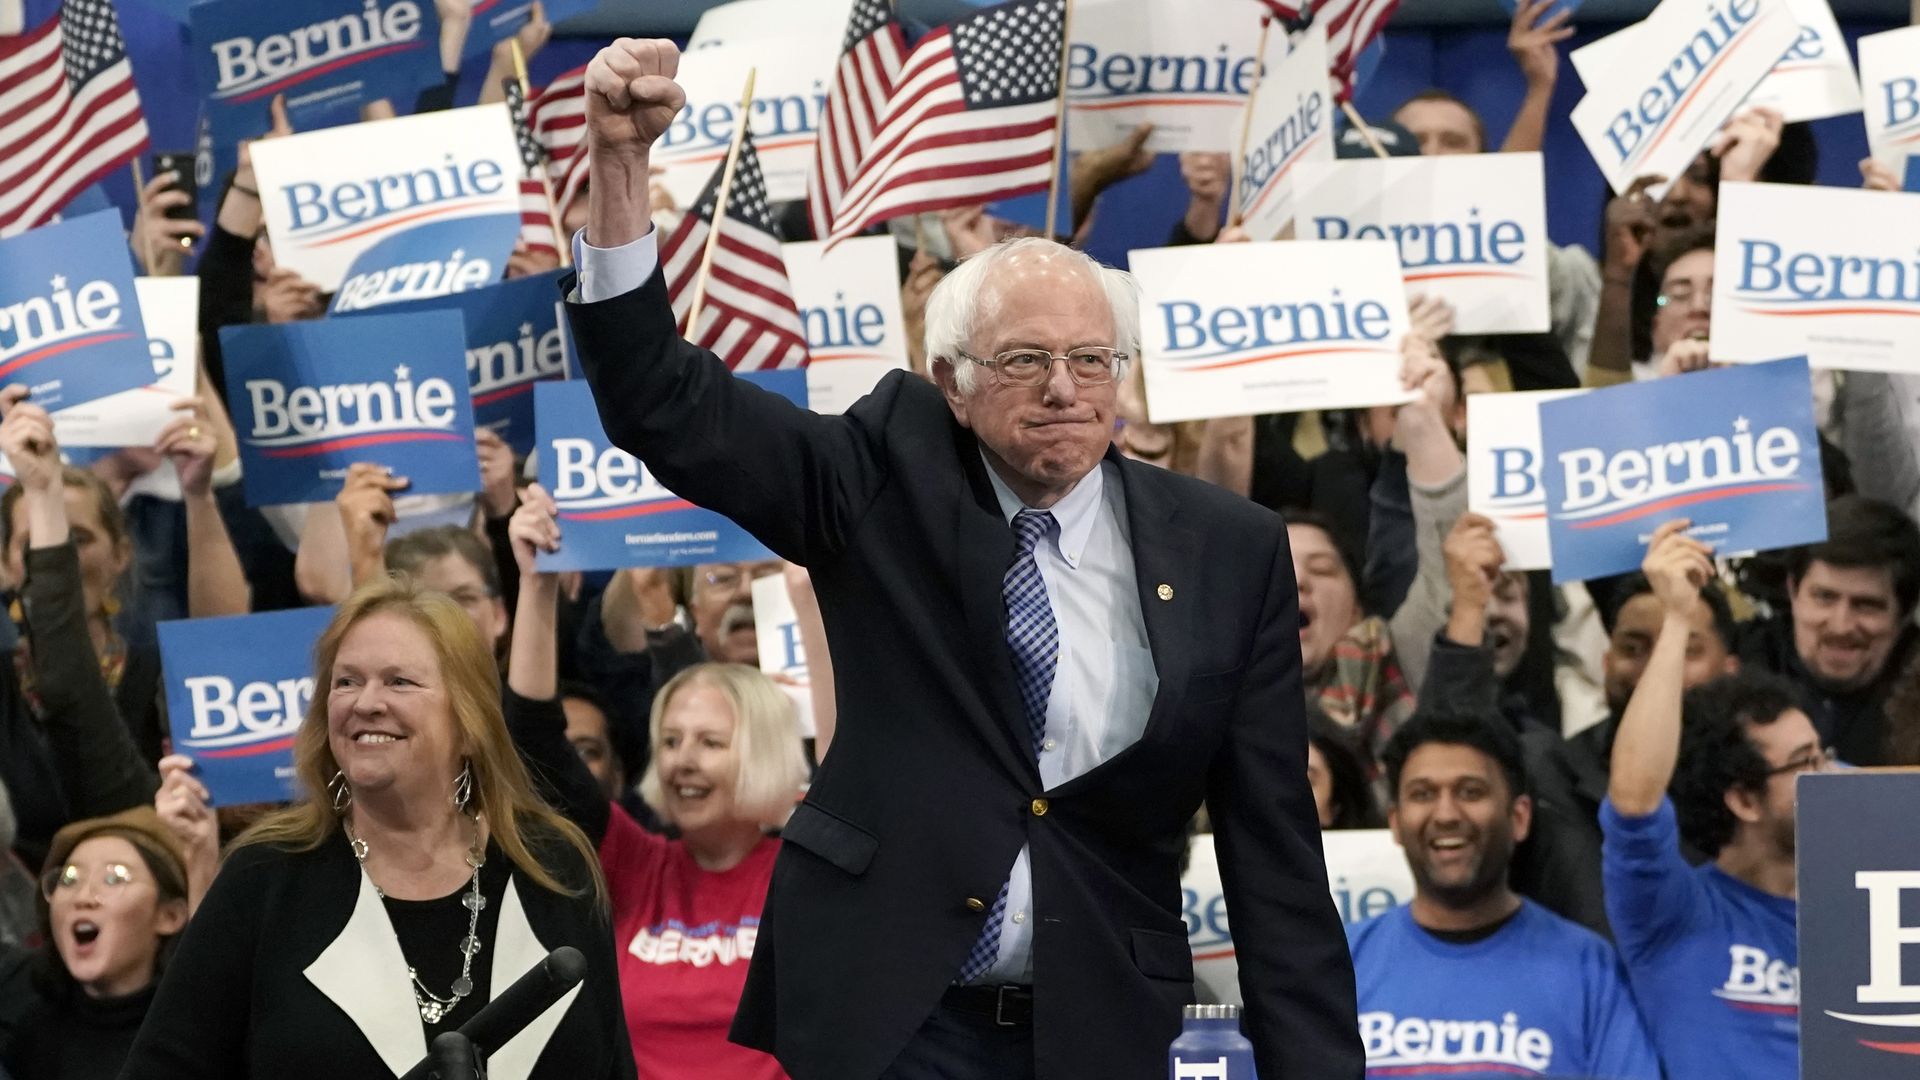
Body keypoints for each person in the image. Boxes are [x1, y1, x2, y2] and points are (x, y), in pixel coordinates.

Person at [563, 39, 1360, 1080]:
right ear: (951, 379)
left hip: (1097, 1025)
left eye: (1090, 360)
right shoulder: (879, 478)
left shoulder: (1228, 548)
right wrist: (620, 169)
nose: (1065, 390)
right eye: (1025, 361)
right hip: (892, 1015)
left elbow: (1275, 860)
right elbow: (663, 401)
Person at [120, 578, 635, 1080]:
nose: (365, 702)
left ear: (470, 721)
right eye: (346, 681)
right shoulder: (263, 876)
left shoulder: (554, 867)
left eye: (399, 681)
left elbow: (613, 1067)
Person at [507, 487, 808, 1078]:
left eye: (711, 742)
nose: (681, 761)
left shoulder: (807, 875)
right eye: (670, 741)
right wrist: (537, 582)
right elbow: (535, 743)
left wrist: (808, 599)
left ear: (765, 753)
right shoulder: (633, 864)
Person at [1604, 520, 1818, 1079]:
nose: (1832, 777)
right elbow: (1633, 801)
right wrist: (1677, 618)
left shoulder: (1870, 915)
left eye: (1823, 755)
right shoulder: (1670, 912)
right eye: (1806, 765)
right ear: (1744, 801)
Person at [0, 386, 241, 866]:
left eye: (80, 539)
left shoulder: (161, 677)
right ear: (5, 565)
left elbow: (227, 649)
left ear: (121, 554)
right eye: (43, 542)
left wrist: (197, 495)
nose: (62, 560)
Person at [1349, 710, 1660, 1079]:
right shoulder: (1342, 962)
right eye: (1423, 794)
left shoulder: (1590, 969)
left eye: (1471, 792)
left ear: (1519, 817)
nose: (1446, 813)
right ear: (1396, 822)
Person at [0, 806, 189, 1080]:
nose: (83, 896)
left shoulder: (196, 1033)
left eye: (114, 878)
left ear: (169, 916)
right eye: (69, 878)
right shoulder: (33, 1033)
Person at [1738, 495, 1920, 764]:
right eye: (1824, 597)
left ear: (1903, 614)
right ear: (1793, 591)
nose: (1841, 626)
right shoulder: (1735, 663)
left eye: (1866, 605)